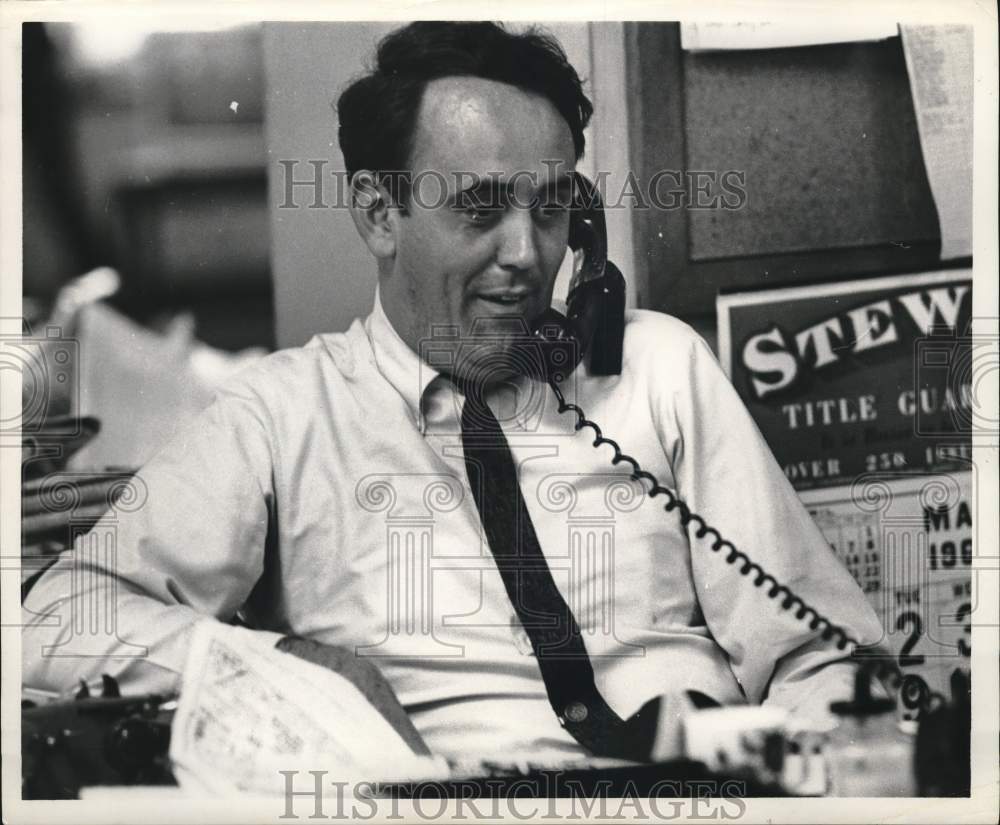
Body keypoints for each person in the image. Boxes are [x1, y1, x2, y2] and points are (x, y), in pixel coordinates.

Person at [22, 21, 883, 764]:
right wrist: (291, 663)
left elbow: (821, 655)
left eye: (551, 210)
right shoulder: (280, 415)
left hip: (702, 782)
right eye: (480, 208)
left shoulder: (659, 369)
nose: (526, 254)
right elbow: (56, 619)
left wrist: (803, 767)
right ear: (377, 214)